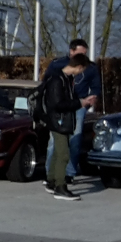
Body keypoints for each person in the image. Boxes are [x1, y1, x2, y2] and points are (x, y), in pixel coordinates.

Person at [45, 39, 102, 180]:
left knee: (75, 139)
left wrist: (88, 102)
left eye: (85, 54)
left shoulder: (91, 67)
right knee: (54, 141)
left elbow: (96, 88)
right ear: (71, 51)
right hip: (60, 107)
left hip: (79, 106)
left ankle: (69, 173)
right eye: (80, 53)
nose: (83, 57)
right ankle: (50, 173)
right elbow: (46, 83)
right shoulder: (57, 65)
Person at [39, 54, 88, 200]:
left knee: (57, 153)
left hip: (61, 121)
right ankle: (60, 186)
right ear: (78, 67)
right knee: (63, 153)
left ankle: (52, 180)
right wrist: (80, 103)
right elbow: (57, 104)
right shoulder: (57, 79)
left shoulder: (66, 79)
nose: (81, 73)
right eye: (82, 70)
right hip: (57, 121)